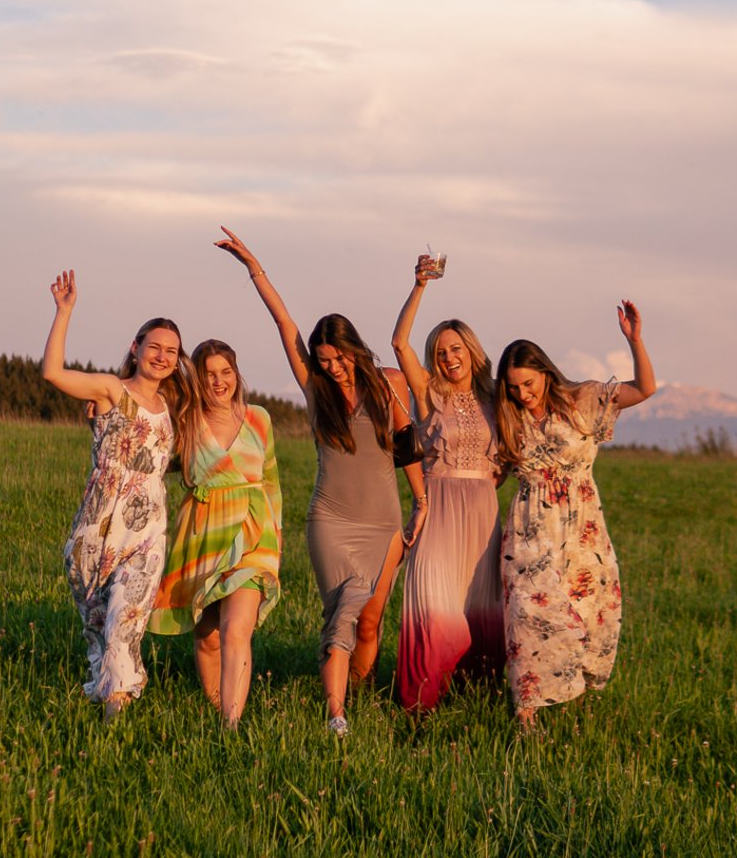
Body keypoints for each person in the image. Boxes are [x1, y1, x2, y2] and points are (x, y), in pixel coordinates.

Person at [216, 227, 427, 736]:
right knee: (342, 616)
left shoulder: (390, 386)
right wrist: (253, 267)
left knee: (372, 622)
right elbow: (285, 324)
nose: (332, 368)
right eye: (324, 359)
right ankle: (336, 713)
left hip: (383, 522)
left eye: (338, 357)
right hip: (330, 520)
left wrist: (421, 503)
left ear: (354, 348)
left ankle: (355, 694)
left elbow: (406, 450)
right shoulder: (315, 388)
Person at [494, 301, 656, 731]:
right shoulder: (508, 419)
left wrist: (634, 340)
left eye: (527, 384)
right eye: (513, 388)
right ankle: (525, 709)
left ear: (545, 372)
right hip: (529, 528)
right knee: (528, 613)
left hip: (582, 526)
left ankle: (569, 697)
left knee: (583, 607)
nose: (522, 394)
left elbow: (644, 389)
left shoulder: (582, 399)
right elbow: (489, 475)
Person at [40, 270, 193, 721]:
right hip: (96, 531)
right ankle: (106, 701)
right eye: (155, 347)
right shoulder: (110, 391)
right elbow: (51, 373)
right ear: (136, 348)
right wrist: (64, 312)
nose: (163, 357)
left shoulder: (173, 409)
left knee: (124, 624)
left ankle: (114, 716)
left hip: (147, 534)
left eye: (172, 351)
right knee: (97, 630)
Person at [389, 253, 505, 711]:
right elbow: (399, 343)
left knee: (480, 602)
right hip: (438, 505)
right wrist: (419, 286)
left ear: (472, 351)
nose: (449, 357)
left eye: (455, 349)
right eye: (440, 352)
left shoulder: (496, 396)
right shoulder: (429, 393)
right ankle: (420, 702)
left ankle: (479, 697)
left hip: (481, 511)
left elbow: (513, 450)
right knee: (433, 598)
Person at [149, 339, 283, 728]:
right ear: (198, 379)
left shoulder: (259, 418)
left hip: (254, 533)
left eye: (226, 373)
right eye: (210, 374)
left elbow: (271, 481)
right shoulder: (185, 421)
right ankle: (215, 707)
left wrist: (277, 535)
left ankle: (231, 724)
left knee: (236, 628)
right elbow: (150, 452)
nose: (219, 381)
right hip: (202, 534)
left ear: (236, 374)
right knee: (207, 637)